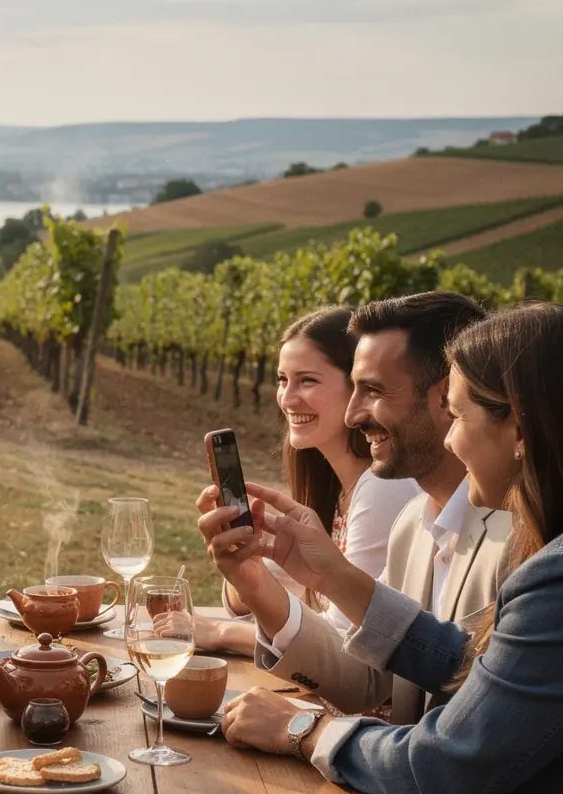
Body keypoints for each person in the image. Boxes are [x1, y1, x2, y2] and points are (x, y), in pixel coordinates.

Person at [216, 302, 563, 794]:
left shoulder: (550, 574)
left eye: (459, 416)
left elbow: (444, 764)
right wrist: (325, 570)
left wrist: (305, 731)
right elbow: (466, 661)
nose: (455, 440)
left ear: (517, 427)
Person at [216, 292, 510, 723]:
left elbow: (472, 737)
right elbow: (367, 677)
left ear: (448, 398)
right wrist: (256, 585)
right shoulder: (415, 521)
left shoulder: (521, 543)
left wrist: (302, 730)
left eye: (372, 390)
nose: (354, 415)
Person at [195, 306, 417, 658]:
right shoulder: (332, 487)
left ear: (357, 387)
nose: (287, 397)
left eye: (307, 380)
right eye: (283, 379)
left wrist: (220, 633)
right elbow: (262, 595)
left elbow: (349, 645)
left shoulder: (382, 488)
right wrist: (243, 562)